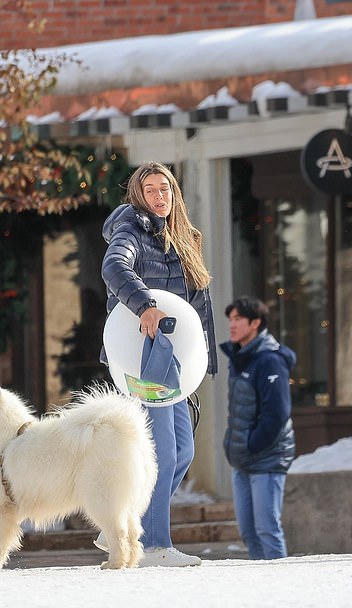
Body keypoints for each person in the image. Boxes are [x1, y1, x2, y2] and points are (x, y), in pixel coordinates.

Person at [100, 161, 218, 567]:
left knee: (183, 451)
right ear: (138, 195)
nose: (159, 196)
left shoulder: (182, 237)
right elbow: (114, 267)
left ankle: (124, 524)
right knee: (162, 451)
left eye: (165, 188)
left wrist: (200, 361)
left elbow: (196, 307)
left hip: (174, 361)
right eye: (150, 189)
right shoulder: (130, 230)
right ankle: (152, 546)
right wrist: (145, 305)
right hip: (144, 357)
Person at [220, 296, 296, 560]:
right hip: (243, 458)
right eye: (231, 319)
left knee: (267, 530)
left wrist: (252, 444)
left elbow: (277, 414)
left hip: (267, 458)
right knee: (248, 532)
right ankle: (260, 586)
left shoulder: (269, 361)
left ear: (256, 323)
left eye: (238, 319)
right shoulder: (240, 357)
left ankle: (281, 585)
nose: (232, 325)